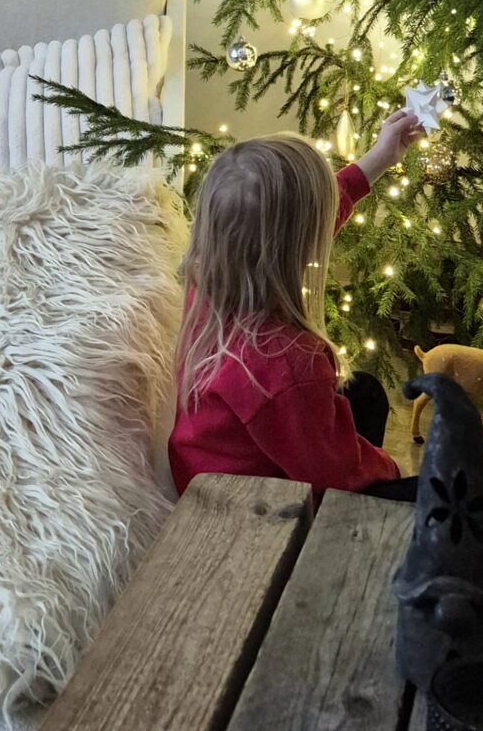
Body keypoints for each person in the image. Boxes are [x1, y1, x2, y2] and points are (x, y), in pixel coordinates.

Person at [168, 114, 423, 501]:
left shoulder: (207, 285)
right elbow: (338, 473)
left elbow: (301, 221)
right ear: (298, 248)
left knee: (365, 393)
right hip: (252, 510)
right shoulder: (284, 362)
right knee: (432, 490)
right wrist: (391, 468)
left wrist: (379, 158)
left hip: (211, 472)